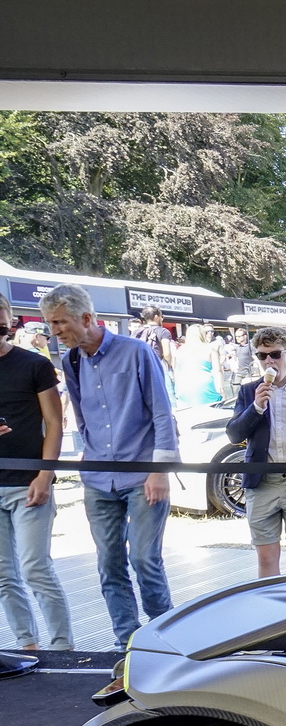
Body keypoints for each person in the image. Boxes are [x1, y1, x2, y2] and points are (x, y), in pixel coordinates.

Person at [42, 283, 175, 671]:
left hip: (141, 473)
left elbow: (162, 413)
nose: (55, 331)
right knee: (109, 563)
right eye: (51, 324)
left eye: (60, 322)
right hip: (98, 477)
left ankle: (166, 636)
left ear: (86, 318)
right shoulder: (71, 361)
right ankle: (127, 644)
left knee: (146, 558)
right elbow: (82, 414)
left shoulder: (137, 351)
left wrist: (159, 470)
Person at [0, 296, 71, 650]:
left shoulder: (33, 364)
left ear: (10, 322)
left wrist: (46, 475)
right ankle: (27, 645)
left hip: (28, 480)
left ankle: (63, 648)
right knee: (3, 574)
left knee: (35, 568)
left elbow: (55, 421)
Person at [227, 326, 286, 578]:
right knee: (266, 558)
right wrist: (257, 407)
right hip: (262, 481)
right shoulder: (249, 391)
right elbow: (234, 434)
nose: (269, 361)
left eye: (275, 354)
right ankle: (272, 611)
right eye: (262, 356)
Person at [171, 324, 223, 411]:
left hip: (184, 385)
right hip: (205, 384)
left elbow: (175, 370)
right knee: (210, 412)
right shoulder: (210, 349)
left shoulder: (180, 351)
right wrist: (221, 389)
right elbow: (218, 371)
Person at [132, 307, 174, 376]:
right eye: (161, 316)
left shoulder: (137, 332)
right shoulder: (163, 332)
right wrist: (170, 366)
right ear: (156, 317)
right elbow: (167, 354)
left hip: (140, 367)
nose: (162, 319)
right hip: (157, 366)